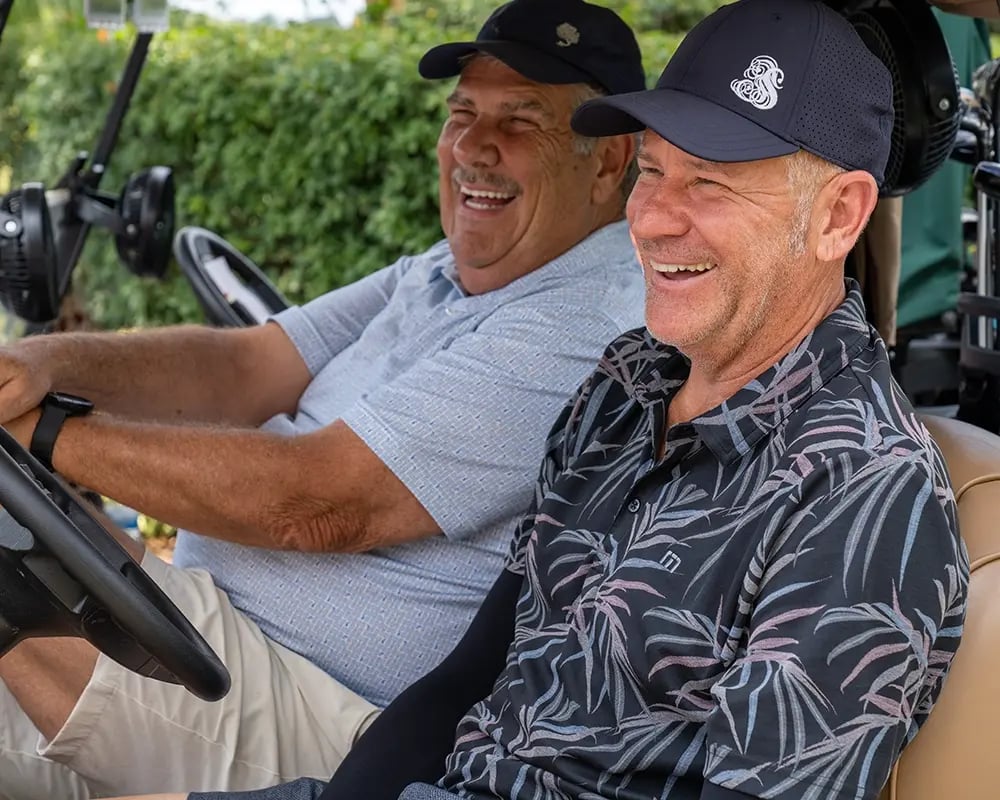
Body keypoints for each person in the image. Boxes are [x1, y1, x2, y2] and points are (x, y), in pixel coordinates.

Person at [120, 1, 968, 798]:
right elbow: (470, 676)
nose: (654, 221)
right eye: (655, 172)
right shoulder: (628, 384)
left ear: (838, 217)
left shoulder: (864, 498)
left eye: (709, 184)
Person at [0, 1, 648, 797]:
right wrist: (38, 363)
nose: (474, 148)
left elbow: (316, 502)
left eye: (521, 122)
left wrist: (43, 430)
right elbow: (244, 367)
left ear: (610, 160)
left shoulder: (590, 320)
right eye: (462, 115)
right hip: (199, 638)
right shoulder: (440, 269)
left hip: (321, 724)